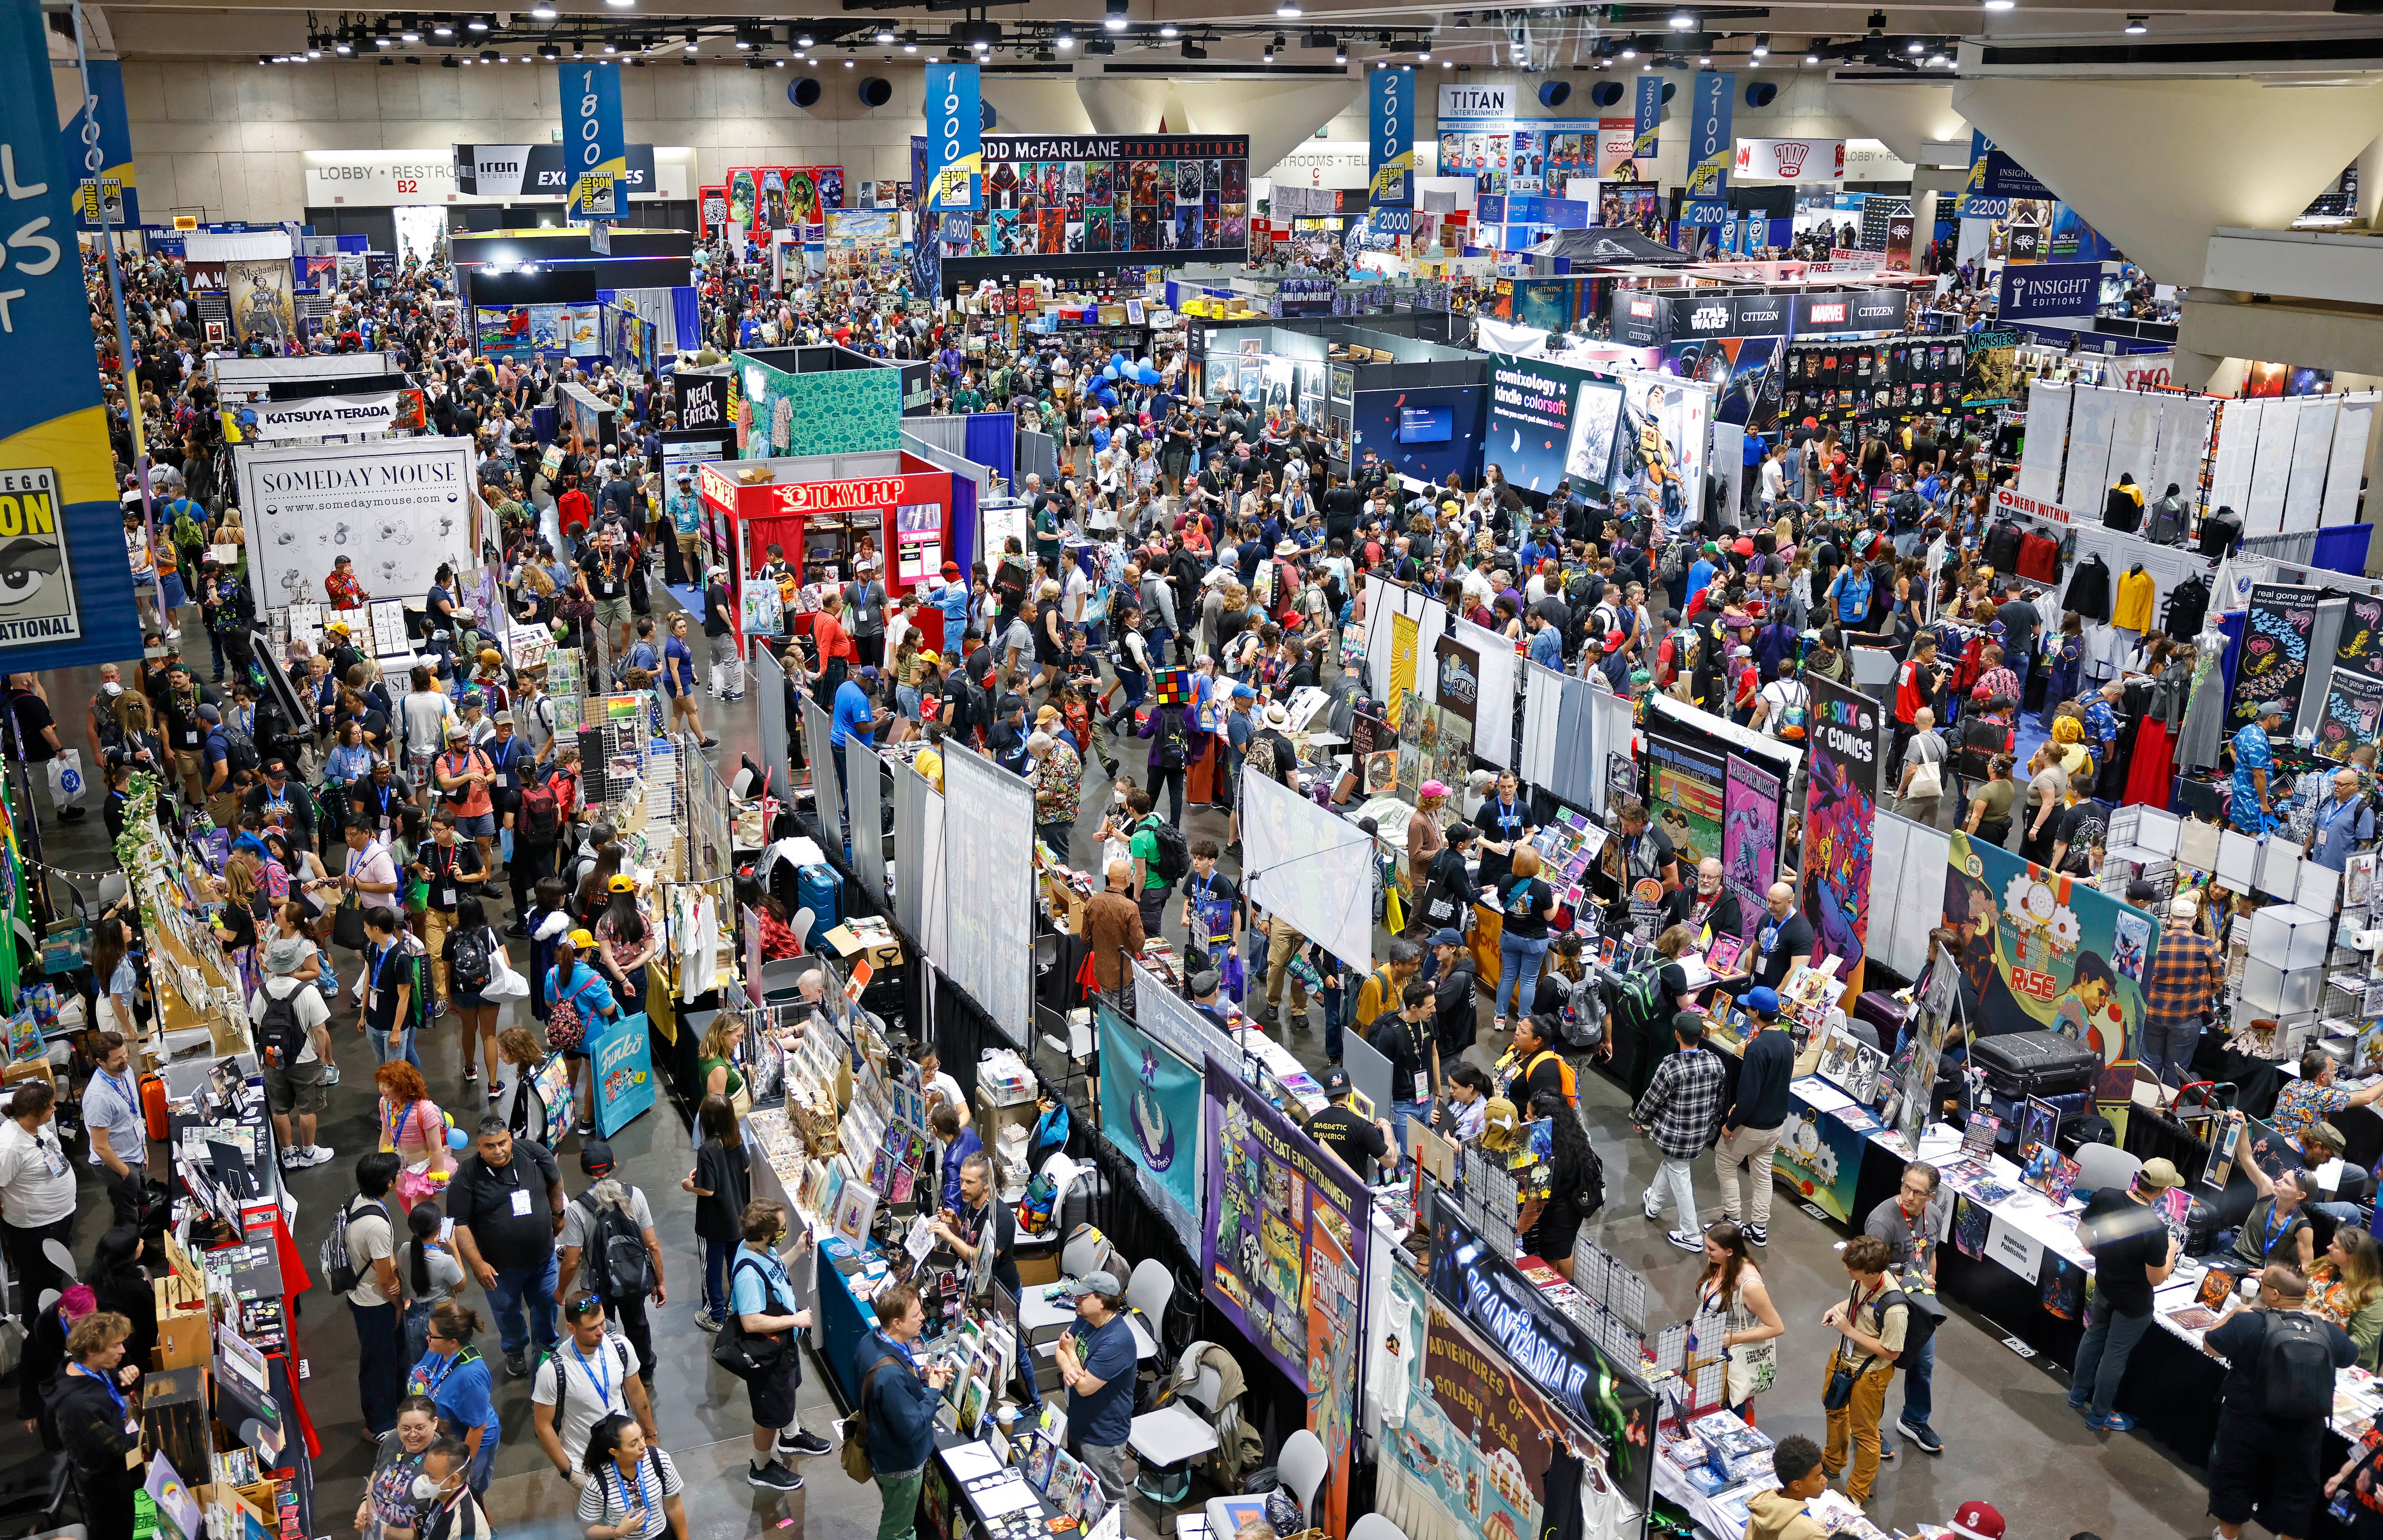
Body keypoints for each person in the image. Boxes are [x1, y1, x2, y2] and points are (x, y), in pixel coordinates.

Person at [2208, 1264, 2360, 1540]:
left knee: (2234, 1478)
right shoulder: (2324, 1329)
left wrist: (2234, 1312)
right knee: (2297, 1490)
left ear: (2275, 1295)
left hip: (2246, 1424)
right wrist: (2322, 1324)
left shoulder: (2249, 1322)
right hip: (2304, 1431)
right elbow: (2351, 1356)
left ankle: (2228, 1536)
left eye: (2263, 1282)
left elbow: (2211, 1345)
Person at [446, 1114, 566, 1378]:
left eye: (503, 1143)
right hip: (499, 1268)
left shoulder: (533, 1153)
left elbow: (556, 1181)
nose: (498, 1150)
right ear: (479, 1146)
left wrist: (558, 1215)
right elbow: (460, 1224)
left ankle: (546, 1349)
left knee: (547, 1305)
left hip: (543, 1259)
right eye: (490, 1146)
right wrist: (477, 1264)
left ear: (510, 1139)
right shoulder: (467, 1176)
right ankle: (514, 1350)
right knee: (508, 1312)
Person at [728, 1197, 830, 1490]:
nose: (785, 1231)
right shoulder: (747, 1274)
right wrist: (796, 1320)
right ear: (764, 1234)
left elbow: (773, 1273)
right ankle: (760, 1467)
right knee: (769, 1414)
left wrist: (797, 1250)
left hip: (783, 1346)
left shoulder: (761, 1250)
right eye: (782, 1228)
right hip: (767, 1355)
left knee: (786, 1396)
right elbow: (751, 1322)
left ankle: (791, 1435)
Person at [555, 1141, 668, 1384]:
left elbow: (572, 1261)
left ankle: (614, 1376)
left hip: (598, 1287)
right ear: (614, 1163)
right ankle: (645, 1373)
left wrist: (561, 1291)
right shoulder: (634, 1195)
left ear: (584, 1170)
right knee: (638, 1324)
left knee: (602, 1329)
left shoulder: (578, 1209)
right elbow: (653, 1245)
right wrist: (660, 1282)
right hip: (635, 1280)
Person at [1866, 1161, 1952, 1455]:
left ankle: (1914, 1421)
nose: (1909, 1196)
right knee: (1878, 1369)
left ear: (1932, 1195)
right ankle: (1867, 1429)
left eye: (1918, 1192)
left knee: (1923, 1364)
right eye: (1906, 1187)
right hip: (1885, 1306)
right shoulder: (1882, 1221)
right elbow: (1871, 1273)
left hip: (1920, 1305)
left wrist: (1929, 1285)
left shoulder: (1935, 1214)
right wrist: (1913, 1280)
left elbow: (1930, 1253)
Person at [851, 1281, 948, 1540]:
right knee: (897, 1528)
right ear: (897, 1322)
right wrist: (934, 1390)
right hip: (900, 1463)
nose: (923, 1318)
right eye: (916, 1315)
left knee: (902, 1518)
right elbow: (913, 1426)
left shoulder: (870, 1339)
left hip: (881, 1443)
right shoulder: (890, 1375)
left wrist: (920, 1377)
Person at [1820, 1234, 1909, 1504]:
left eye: (1852, 1268)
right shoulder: (1861, 1279)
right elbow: (1856, 1301)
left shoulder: (1895, 1309)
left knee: (1865, 1434)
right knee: (1833, 1408)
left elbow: (1893, 1352)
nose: (1846, 1270)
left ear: (1872, 1272)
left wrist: (1849, 1330)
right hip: (1844, 1358)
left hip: (1870, 1374)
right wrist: (1838, 1308)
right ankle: (1832, 1462)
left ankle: (1857, 1493)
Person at [532, 1292, 659, 1479]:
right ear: (572, 1328)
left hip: (626, 1458)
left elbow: (636, 1393)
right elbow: (543, 1426)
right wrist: (568, 1472)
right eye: (592, 1328)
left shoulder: (620, 1347)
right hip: (585, 1466)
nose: (601, 1331)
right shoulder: (552, 1371)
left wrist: (651, 1436)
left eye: (602, 1323)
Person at [45, 1311, 143, 1540]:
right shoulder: (78, 1405)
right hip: (107, 1484)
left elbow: (106, 1387)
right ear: (92, 1349)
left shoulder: (84, 1366)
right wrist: (152, 1436)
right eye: (116, 1345)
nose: (123, 1351)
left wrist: (128, 1378)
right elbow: (116, 1447)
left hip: (115, 1467)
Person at [1636, 1012, 1727, 1253]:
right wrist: (1712, 1124)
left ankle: (1692, 1234)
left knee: (1680, 1175)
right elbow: (1720, 1101)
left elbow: (1652, 1098)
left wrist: (1640, 1118)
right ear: (1703, 1035)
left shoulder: (1671, 1066)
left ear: (1677, 1035)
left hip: (1675, 1135)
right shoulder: (1716, 1063)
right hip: (1699, 1134)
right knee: (1674, 1165)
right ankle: (1653, 1203)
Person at [1055, 1269, 1140, 1504]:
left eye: (1084, 1296)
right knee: (1081, 1490)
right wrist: (1069, 1367)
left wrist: (1071, 1355)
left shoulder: (1117, 1341)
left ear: (1102, 1302)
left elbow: (1083, 1387)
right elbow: (1059, 1348)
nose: (1076, 1300)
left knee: (1110, 1498)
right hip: (1079, 1423)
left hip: (1103, 1436)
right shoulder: (1085, 1318)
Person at [1715, 986, 1791, 1246]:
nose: (1746, 1009)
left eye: (1749, 1007)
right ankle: (1759, 1229)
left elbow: (1748, 1097)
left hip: (1753, 1125)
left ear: (1755, 1013)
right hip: (1776, 1124)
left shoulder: (1757, 1048)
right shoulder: (1787, 1041)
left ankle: (1733, 1221)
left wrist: (1730, 1125)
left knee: (1725, 1160)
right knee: (1762, 1175)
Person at [0, 1079, 77, 1334]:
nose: (55, 1109)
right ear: (34, 1113)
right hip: (34, 1229)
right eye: (50, 1107)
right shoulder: (10, 1147)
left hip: (58, 1219)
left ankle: (56, 1324)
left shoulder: (37, 1129)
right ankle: (39, 1337)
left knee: (54, 1277)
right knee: (38, 1285)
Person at [345, 1151, 408, 1437]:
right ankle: (379, 1425)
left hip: (362, 1293)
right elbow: (386, 1279)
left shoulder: (357, 1202)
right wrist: (397, 1303)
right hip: (375, 1303)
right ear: (390, 1184)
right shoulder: (378, 1226)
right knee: (378, 1365)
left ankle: (398, 1404)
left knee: (393, 1357)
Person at [405, 1302, 497, 1494]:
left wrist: (462, 1470)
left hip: (469, 1445)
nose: (427, 1337)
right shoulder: (437, 1351)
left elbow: (478, 1427)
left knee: (470, 1496)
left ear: (452, 1342)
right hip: (444, 1439)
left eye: (432, 1335)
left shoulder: (470, 1377)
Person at [683, 1094, 751, 1333]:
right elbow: (745, 1167)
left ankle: (716, 1315)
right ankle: (737, 1308)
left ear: (709, 1119)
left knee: (711, 1270)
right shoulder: (737, 1140)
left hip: (713, 1224)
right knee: (736, 1266)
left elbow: (708, 1190)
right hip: (737, 1219)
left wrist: (689, 1185)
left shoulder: (706, 1149)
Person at [2139, 894, 2223, 1084]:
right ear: (2194, 920)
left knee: (2149, 1063)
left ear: (2170, 918)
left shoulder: (2155, 941)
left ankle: (2143, 1109)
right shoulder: (2206, 945)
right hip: (2187, 1018)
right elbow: (2218, 981)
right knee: (2175, 1069)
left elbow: (2140, 976)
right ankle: (2166, 1111)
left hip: (2153, 1014)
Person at [1522, 1088, 1602, 1272]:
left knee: (1548, 1264)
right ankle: (1571, 1284)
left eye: (1530, 1117)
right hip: (1573, 1210)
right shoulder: (1571, 1135)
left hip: (1557, 1218)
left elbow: (1537, 1200)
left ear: (1544, 1120)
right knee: (1563, 1253)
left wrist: (1519, 1229)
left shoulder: (1548, 1153)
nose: (1525, 1119)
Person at [575, 1412, 690, 1540]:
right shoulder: (598, 1483)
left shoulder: (659, 1460)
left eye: (641, 1437)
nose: (643, 1445)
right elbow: (588, 1528)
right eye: (633, 1444)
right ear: (615, 1452)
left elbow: (674, 1506)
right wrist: (618, 1531)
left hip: (662, 1535)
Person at [930, 1151, 1023, 1301]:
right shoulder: (971, 1203)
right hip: (976, 1287)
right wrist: (954, 1223)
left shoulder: (1002, 1217)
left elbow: (981, 1261)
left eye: (970, 1182)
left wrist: (950, 1237)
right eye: (962, 1181)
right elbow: (968, 1236)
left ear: (987, 1184)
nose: (963, 1187)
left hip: (1001, 1294)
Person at [1492, 845, 1560, 1032]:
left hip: (1509, 936)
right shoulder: (1542, 888)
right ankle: (1523, 1022)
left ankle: (1500, 1017)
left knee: (1507, 976)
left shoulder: (1505, 881)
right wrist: (1558, 900)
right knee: (1529, 981)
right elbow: (1549, 917)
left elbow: (1501, 904)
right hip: (1534, 941)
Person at [356, 1396, 442, 1540]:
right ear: (398, 1425)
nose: (413, 1435)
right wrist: (365, 1504)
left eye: (420, 1428)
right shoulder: (393, 1440)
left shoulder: (441, 1460)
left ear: (434, 1423)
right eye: (406, 1428)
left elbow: (433, 1532)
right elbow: (377, 1472)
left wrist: (386, 1531)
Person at [2275, 1044, 2383, 1156]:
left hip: (2277, 1143)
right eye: (2333, 1072)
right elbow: (2368, 1097)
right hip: (2298, 1153)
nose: (2334, 1075)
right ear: (2322, 1077)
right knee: (2359, 1173)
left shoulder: (2291, 1084)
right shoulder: (2322, 1095)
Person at [1371, 979, 1441, 1144]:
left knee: (1427, 1148)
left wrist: (1438, 1091)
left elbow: (1433, 1054)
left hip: (1427, 1099)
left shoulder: (1429, 1021)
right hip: (1403, 1106)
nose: (1434, 1009)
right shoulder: (1390, 1033)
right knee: (1406, 1153)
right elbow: (1380, 1073)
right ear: (1414, 1008)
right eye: (1429, 1007)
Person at [402, 1204, 469, 1366]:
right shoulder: (445, 1261)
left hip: (414, 1316)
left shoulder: (405, 1250)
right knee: (446, 1365)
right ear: (438, 1229)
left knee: (419, 1366)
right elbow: (461, 1285)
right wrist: (455, 1250)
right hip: (441, 1317)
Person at [2307, 1228, 2383, 1370]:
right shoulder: (2325, 1266)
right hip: (2305, 1343)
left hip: (2343, 1365)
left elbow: (2359, 1342)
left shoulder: (2373, 1294)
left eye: (2335, 1246)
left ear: (2353, 1256)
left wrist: (2329, 1327)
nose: (2328, 1247)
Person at [1306, 1066, 1394, 1184]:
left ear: (1324, 1092)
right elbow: (1391, 1160)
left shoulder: (1311, 1123)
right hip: (1352, 1198)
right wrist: (1387, 1127)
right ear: (1351, 1088)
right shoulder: (1362, 1127)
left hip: (1321, 1193)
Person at [1745, 1434, 1830, 1540]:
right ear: (1797, 1485)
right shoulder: (1814, 1533)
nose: (1825, 1480)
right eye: (1818, 1477)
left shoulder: (1761, 1505)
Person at [1081, 860, 1146, 998]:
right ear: (1127, 879)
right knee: (1121, 1016)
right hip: (1123, 974)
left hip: (1102, 971)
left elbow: (1085, 938)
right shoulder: (1130, 907)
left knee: (1105, 1009)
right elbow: (1138, 944)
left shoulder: (1093, 902)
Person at [416, 1434, 493, 1540]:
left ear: (453, 1479)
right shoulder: (442, 1495)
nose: (423, 1479)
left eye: (430, 1476)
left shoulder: (463, 1528)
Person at [2231, 699, 2291, 833]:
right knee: (2255, 831)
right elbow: (2259, 774)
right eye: (2279, 718)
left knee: (2236, 824)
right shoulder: (2258, 740)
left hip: (2240, 789)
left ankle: (2224, 853)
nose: (2281, 722)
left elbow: (2231, 746)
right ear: (2271, 718)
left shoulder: (2246, 730)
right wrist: (2264, 803)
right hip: (2252, 795)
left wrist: (2241, 766)